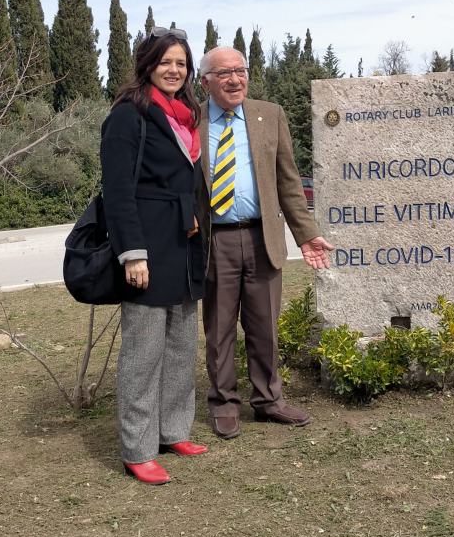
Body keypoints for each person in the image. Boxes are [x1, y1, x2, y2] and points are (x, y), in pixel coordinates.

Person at [197, 47, 334, 439]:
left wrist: (306, 232)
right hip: (215, 240)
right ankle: (224, 402)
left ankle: (268, 401)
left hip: (262, 237)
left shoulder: (268, 114)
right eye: (224, 73)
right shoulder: (192, 120)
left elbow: (289, 181)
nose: (234, 79)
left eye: (240, 70)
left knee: (264, 326)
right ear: (205, 81)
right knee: (219, 329)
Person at [100, 28, 207, 485]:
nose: (174, 70)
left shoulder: (186, 116)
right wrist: (132, 255)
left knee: (182, 348)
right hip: (148, 247)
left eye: (181, 63)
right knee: (143, 355)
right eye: (166, 61)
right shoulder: (128, 116)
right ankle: (137, 448)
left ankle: (172, 430)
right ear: (147, 64)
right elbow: (118, 192)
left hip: (184, 246)